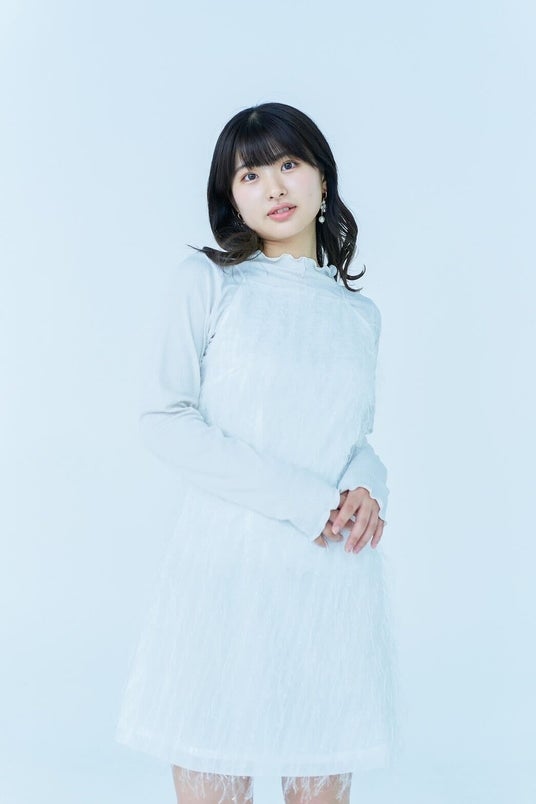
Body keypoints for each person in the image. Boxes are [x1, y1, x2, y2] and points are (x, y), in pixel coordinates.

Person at [115, 102, 399, 804]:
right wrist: (307, 501)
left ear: (323, 179)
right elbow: (165, 419)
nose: (273, 186)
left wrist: (368, 486)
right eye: (249, 174)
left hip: (327, 582)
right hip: (224, 576)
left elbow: (355, 435)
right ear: (231, 197)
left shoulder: (358, 315)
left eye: (289, 164)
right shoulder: (210, 283)